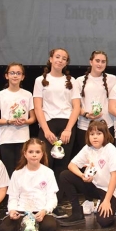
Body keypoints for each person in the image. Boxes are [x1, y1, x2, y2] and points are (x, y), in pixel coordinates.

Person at [33, 48, 81, 218]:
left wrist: (68, 129)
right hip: (48, 125)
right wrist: (45, 130)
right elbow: (38, 107)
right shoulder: (40, 80)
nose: (60, 60)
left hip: (66, 125)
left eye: (64, 59)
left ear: (67, 62)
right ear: (51, 59)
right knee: (45, 164)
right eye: (57, 57)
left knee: (61, 166)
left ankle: (57, 203)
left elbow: (76, 107)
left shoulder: (71, 81)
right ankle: (42, 203)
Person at [58, 120, 116, 227]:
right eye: (92, 134)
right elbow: (71, 165)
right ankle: (77, 212)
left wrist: (106, 201)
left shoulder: (111, 149)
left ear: (105, 135)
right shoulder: (88, 148)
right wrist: (82, 175)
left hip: (109, 190)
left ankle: (110, 205)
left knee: (103, 222)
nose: (95, 137)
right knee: (65, 175)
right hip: (93, 186)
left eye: (98, 134)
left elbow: (114, 176)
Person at [0, 138, 58, 231]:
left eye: (37, 152)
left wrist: (44, 211)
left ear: (42, 154)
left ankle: (32, 226)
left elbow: (52, 198)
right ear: (25, 154)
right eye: (31, 152)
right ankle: (26, 225)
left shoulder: (48, 172)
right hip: (21, 212)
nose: (34, 155)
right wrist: (12, 210)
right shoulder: (17, 173)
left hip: (40, 211)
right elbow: (13, 197)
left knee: (49, 228)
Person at [0, 63, 36, 176]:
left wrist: (25, 121)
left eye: (18, 73)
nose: (15, 76)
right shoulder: (0, 95)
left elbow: (33, 118)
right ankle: (10, 193)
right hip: (6, 138)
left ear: (23, 77)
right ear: (7, 76)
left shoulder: (28, 94)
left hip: (23, 138)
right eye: (12, 73)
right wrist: (8, 121)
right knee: (9, 170)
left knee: (22, 169)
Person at [75, 51, 116, 153]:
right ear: (91, 62)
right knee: (87, 160)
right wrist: (86, 114)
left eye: (103, 62)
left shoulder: (113, 80)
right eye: (97, 61)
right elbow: (75, 105)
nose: (100, 64)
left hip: (107, 126)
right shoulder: (79, 81)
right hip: (84, 126)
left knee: (106, 159)